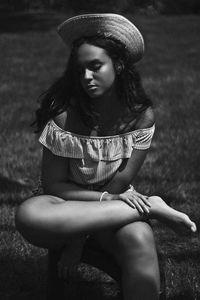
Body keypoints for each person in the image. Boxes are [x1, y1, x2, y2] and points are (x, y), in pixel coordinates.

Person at [15, 13, 197, 300]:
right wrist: (88, 224)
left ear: (119, 65)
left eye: (95, 66)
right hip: (65, 204)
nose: (86, 77)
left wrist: (100, 214)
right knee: (28, 214)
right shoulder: (65, 117)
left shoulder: (140, 117)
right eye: (80, 70)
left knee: (140, 238)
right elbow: (55, 186)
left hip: (116, 197)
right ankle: (150, 207)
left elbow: (123, 178)